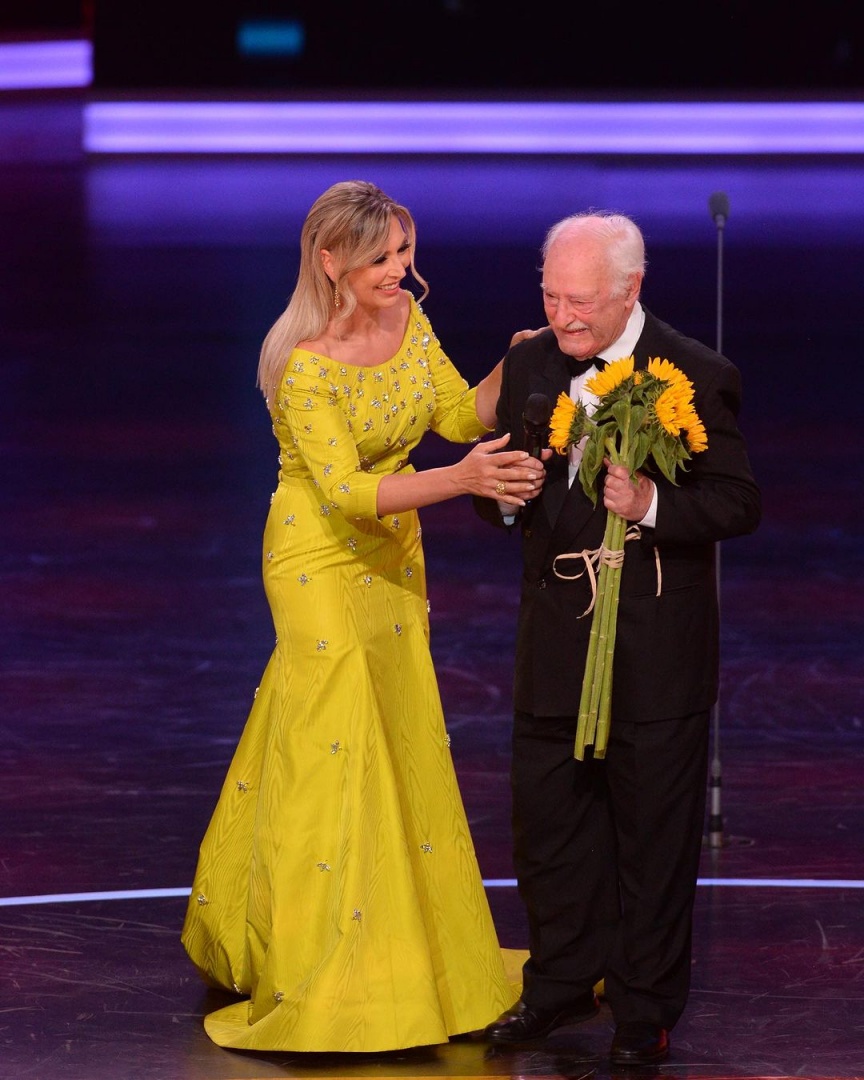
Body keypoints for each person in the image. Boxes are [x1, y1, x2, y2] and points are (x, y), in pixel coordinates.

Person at [180, 179, 547, 1053]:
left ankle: (367, 942)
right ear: (330, 261)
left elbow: (458, 412)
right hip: (317, 555)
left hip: (392, 556)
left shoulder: (410, 324)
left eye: (405, 253)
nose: (400, 270)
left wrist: (517, 362)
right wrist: (460, 482)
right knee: (336, 739)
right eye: (381, 257)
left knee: (388, 734)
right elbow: (345, 492)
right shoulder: (302, 363)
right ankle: (319, 960)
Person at [475, 211, 761, 1067]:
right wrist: (503, 494)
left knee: (652, 840)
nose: (563, 319)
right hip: (556, 645)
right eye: (551, 296)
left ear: (631, 290)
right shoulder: (532, 359)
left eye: (582, 303)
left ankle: (643, 1008)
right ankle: (560, 982)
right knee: (549, 830)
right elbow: (516, 494)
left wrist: (652, 507)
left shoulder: (695, 375)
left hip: (654, 657)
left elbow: (738, 503)